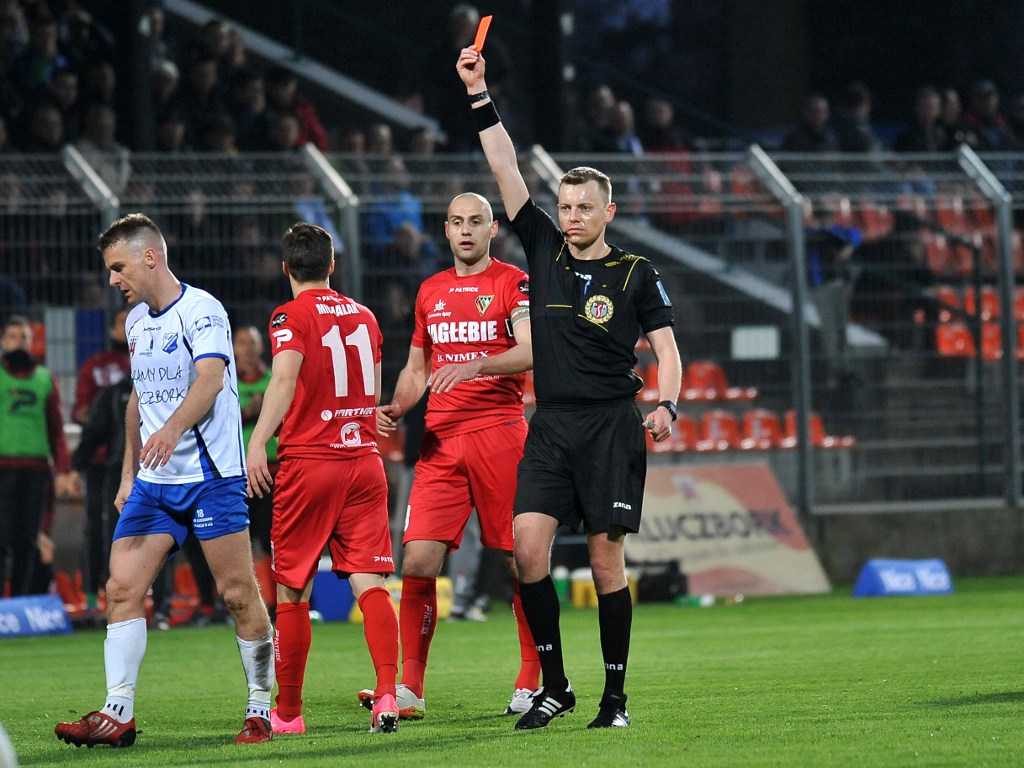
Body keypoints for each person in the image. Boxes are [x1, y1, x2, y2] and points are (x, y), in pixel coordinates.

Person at [457, 48, 683, 730]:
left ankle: (615, 699)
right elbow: (505, 166)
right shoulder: (544, 248)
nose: (573, 215)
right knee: (527, 550)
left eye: (585, 207)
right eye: (565, 205)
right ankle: (556, 686)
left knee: (606, 564)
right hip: (551, 426)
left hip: (612, 425)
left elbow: (668, 351)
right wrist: (479, 94)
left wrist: (667, 404)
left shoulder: (637, 273)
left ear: (608, 211)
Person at [55, 214, 275, 748]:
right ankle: (118, 712)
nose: (113, 279)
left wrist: (172, 429)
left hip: (211, 478)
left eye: (118, 267)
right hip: (154, 484)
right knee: (121, 589)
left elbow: (211, 380)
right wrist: (128, 473)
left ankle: (260, 709)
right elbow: (139, 398)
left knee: (237, 594)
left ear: (149, 257)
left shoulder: (203, 310)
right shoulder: (135, 321)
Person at [356, 192, 538, 721]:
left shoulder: (513, 282)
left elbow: (532, 350)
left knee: (518, 559)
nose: (466, 230)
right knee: (417, 562)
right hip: (440, 442)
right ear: (446, 230)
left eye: (475, 222)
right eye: (457, 222)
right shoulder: (430, 289)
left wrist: (476, 365)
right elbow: (417, 367)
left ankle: (532, 676)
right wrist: (398, 404)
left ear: (492, 229)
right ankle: (411, 687)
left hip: (499, 433)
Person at [245, 222, 400, 736]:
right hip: (364, 462)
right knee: (371, 584)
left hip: (309, 464)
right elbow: (372, 391)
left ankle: (289, 713)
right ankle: (386, 695)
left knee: (293, 590)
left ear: (285, 268)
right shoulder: (366, 316)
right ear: (332, 265)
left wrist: (257, 442)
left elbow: (284, 379)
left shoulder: (288, 315)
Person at [0, 316, 77, 597]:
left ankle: (19, 603)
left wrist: (64, 470)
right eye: (12, 337)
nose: (19, 342)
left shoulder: (45, 378)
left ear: (32, 342)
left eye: (24, 337)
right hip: (3, 469)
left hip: (35, 471)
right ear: (3, 341)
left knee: (28, 542)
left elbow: (56, 428)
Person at [71, 304, 131, 613]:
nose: (128, 326)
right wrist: (102, 415)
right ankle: (93, 598)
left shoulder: (150, 358)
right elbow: (80, 410)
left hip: (139, 463)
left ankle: (132, 596)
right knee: (98, 527)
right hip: (100, 462)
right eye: (122, 321)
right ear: (111, 329)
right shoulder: (96, 364)